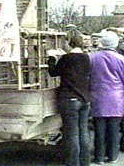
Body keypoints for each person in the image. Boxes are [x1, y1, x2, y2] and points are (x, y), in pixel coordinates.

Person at [90, 31, 124, 164]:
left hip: (98, 96)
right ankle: (112, 155)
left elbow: (87, 76)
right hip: (116, 97)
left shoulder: (92, 57)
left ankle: (99, 157)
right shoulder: (122, 59)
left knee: (99, 130)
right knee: (114, 129)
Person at [48, 34, 91, 166]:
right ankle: (85, 161)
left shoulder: (67, 58)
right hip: (84, 99)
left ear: (69, 43)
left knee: (71, 133)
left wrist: (51, 58)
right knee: (83, 131)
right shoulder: (87, 58)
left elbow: (53, 72)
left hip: (69, 99)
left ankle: (73, 162)